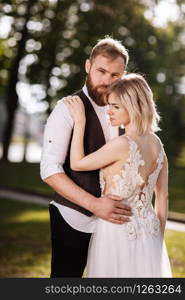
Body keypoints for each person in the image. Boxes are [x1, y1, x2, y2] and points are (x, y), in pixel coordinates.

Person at [64, 73, 172, 277]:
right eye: (109, 106)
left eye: (115, 106)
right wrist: (158, 237)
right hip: (150, 233)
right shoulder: (158, 144)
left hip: (117, 230)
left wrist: (80, 121)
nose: (109, 112)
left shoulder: (121, 145)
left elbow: (77, 164)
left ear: (133, 106)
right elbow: (163, 197)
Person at [40, 37, 132, 278]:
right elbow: (49, 169)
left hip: (114, 225)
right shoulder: (66, 108)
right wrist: (94, 204)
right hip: (73, 219)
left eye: (115, 75)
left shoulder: (127, 112)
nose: (107, 81)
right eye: (101, 71)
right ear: (88, 66)